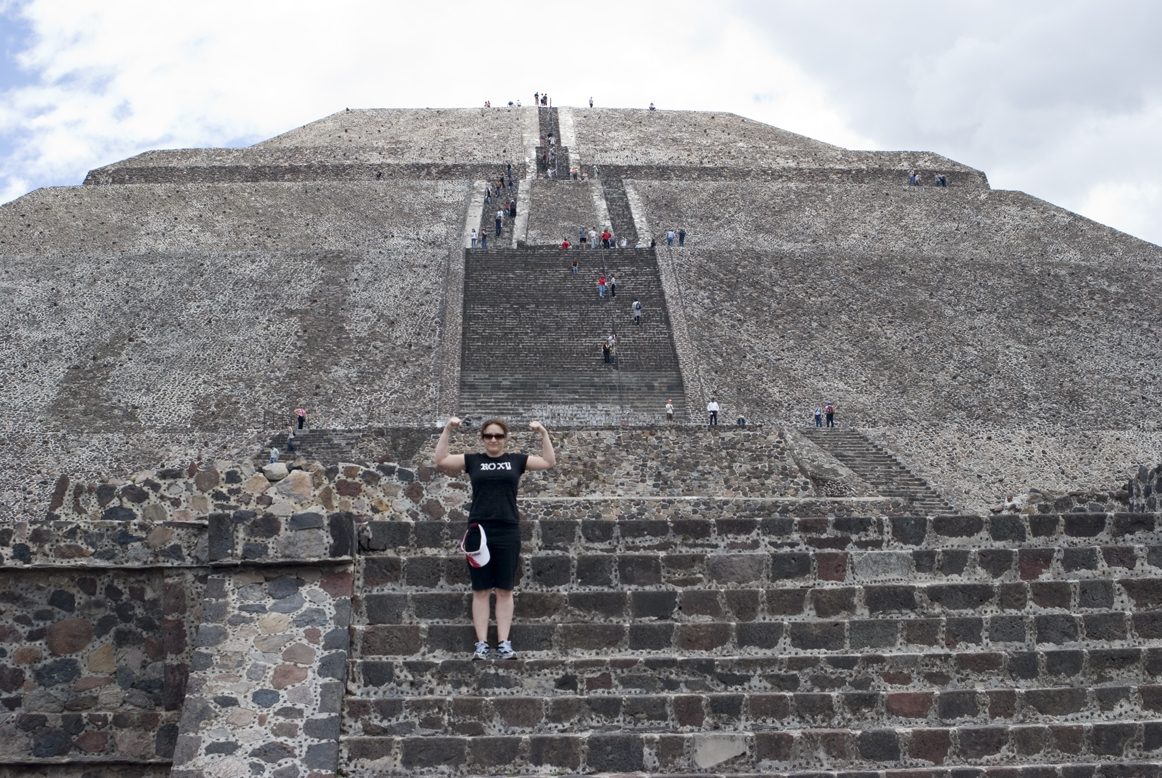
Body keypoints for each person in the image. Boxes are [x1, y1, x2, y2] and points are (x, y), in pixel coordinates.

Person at [434, 417, 556, 660]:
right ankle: (481, 644)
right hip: (479, 531)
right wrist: (448, 429)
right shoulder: (473, 460)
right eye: (488, 435)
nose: (493, 439)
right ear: (482, 438)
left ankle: (503, 643)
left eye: (498, 436)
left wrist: (543, 432)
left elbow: (548, 461)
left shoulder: (516, 461)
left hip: (508, 530)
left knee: (504, 589)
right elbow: (441, 459)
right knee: (480, 589)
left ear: (505, 438)